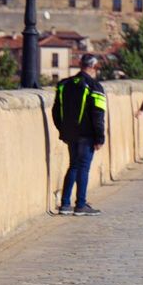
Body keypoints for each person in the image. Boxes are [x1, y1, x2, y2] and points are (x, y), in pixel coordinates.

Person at [51, 53, 106, 216]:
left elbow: (55, 111)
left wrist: (63, 130)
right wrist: (100, 137)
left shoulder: (64, 84)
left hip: (70, 134)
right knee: (83, 167)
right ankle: (81, 204)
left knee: (73, 165)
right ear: (94, 67)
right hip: (87, 135)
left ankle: (65, 204)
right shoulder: (94, 86)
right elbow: (98, 115)